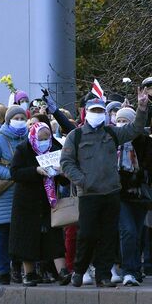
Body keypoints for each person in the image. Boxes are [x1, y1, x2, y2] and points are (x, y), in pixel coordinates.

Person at [61, 91, 148, 288]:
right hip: (89, 194)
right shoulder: (76, 135)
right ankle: (79, 270)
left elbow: (134, 129)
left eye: (101, 110)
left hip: (111, 192)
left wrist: (142, 109)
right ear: (86, 112)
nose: (98, 113)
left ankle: (103, 275)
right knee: (87, 235)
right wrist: (82, 180)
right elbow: (66, 162)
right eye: (94, 110)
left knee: (108, 236)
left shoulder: (111, 133)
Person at [9, 122, 71, 286]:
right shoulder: (23, 149)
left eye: (47, 137)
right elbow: (15, 173)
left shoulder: (55, 147)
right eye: (41, 138)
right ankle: (29, 274)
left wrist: (62, 172)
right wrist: (36, 170)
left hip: (48, 201)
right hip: (26, 202)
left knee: (54, 235)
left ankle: (62, 272)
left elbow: (64, 178)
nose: (44, 140)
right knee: (27, 238)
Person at [0, 105, 28, 285]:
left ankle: (17, 268)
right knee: (2, 233)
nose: (20, 121)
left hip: (23, 192)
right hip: (3, 192)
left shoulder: (28, 137)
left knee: (20, 233)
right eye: (16, 118)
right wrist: (11, 174)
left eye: (22, 118)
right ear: (8, 120)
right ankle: (3, 270)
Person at [112, 107, 151, 286]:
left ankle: (135, 270)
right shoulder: (111, 141)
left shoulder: (143, 141)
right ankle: (128, 271)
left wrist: (140, 174)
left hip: (139, 193)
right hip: (119, 193)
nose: (122, 124)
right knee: (128, 231)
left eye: (126, 121)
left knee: (136, 233)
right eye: (119, 121)